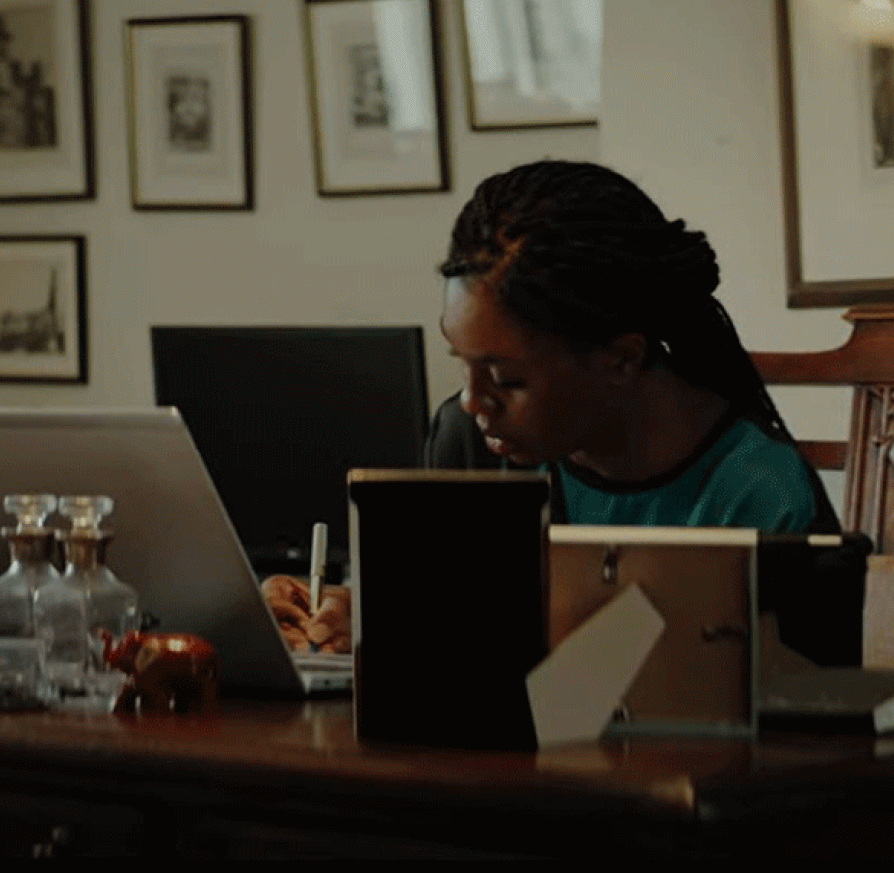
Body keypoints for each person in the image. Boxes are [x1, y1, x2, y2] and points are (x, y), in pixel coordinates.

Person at [268, 159, 847, 656]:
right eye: (461, 362)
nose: (472, 401)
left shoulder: (762, 495)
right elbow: (442, 618)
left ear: (622, 358)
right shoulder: (468, 442)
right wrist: (364, 613)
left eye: (504, 378)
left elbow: (800, 731)